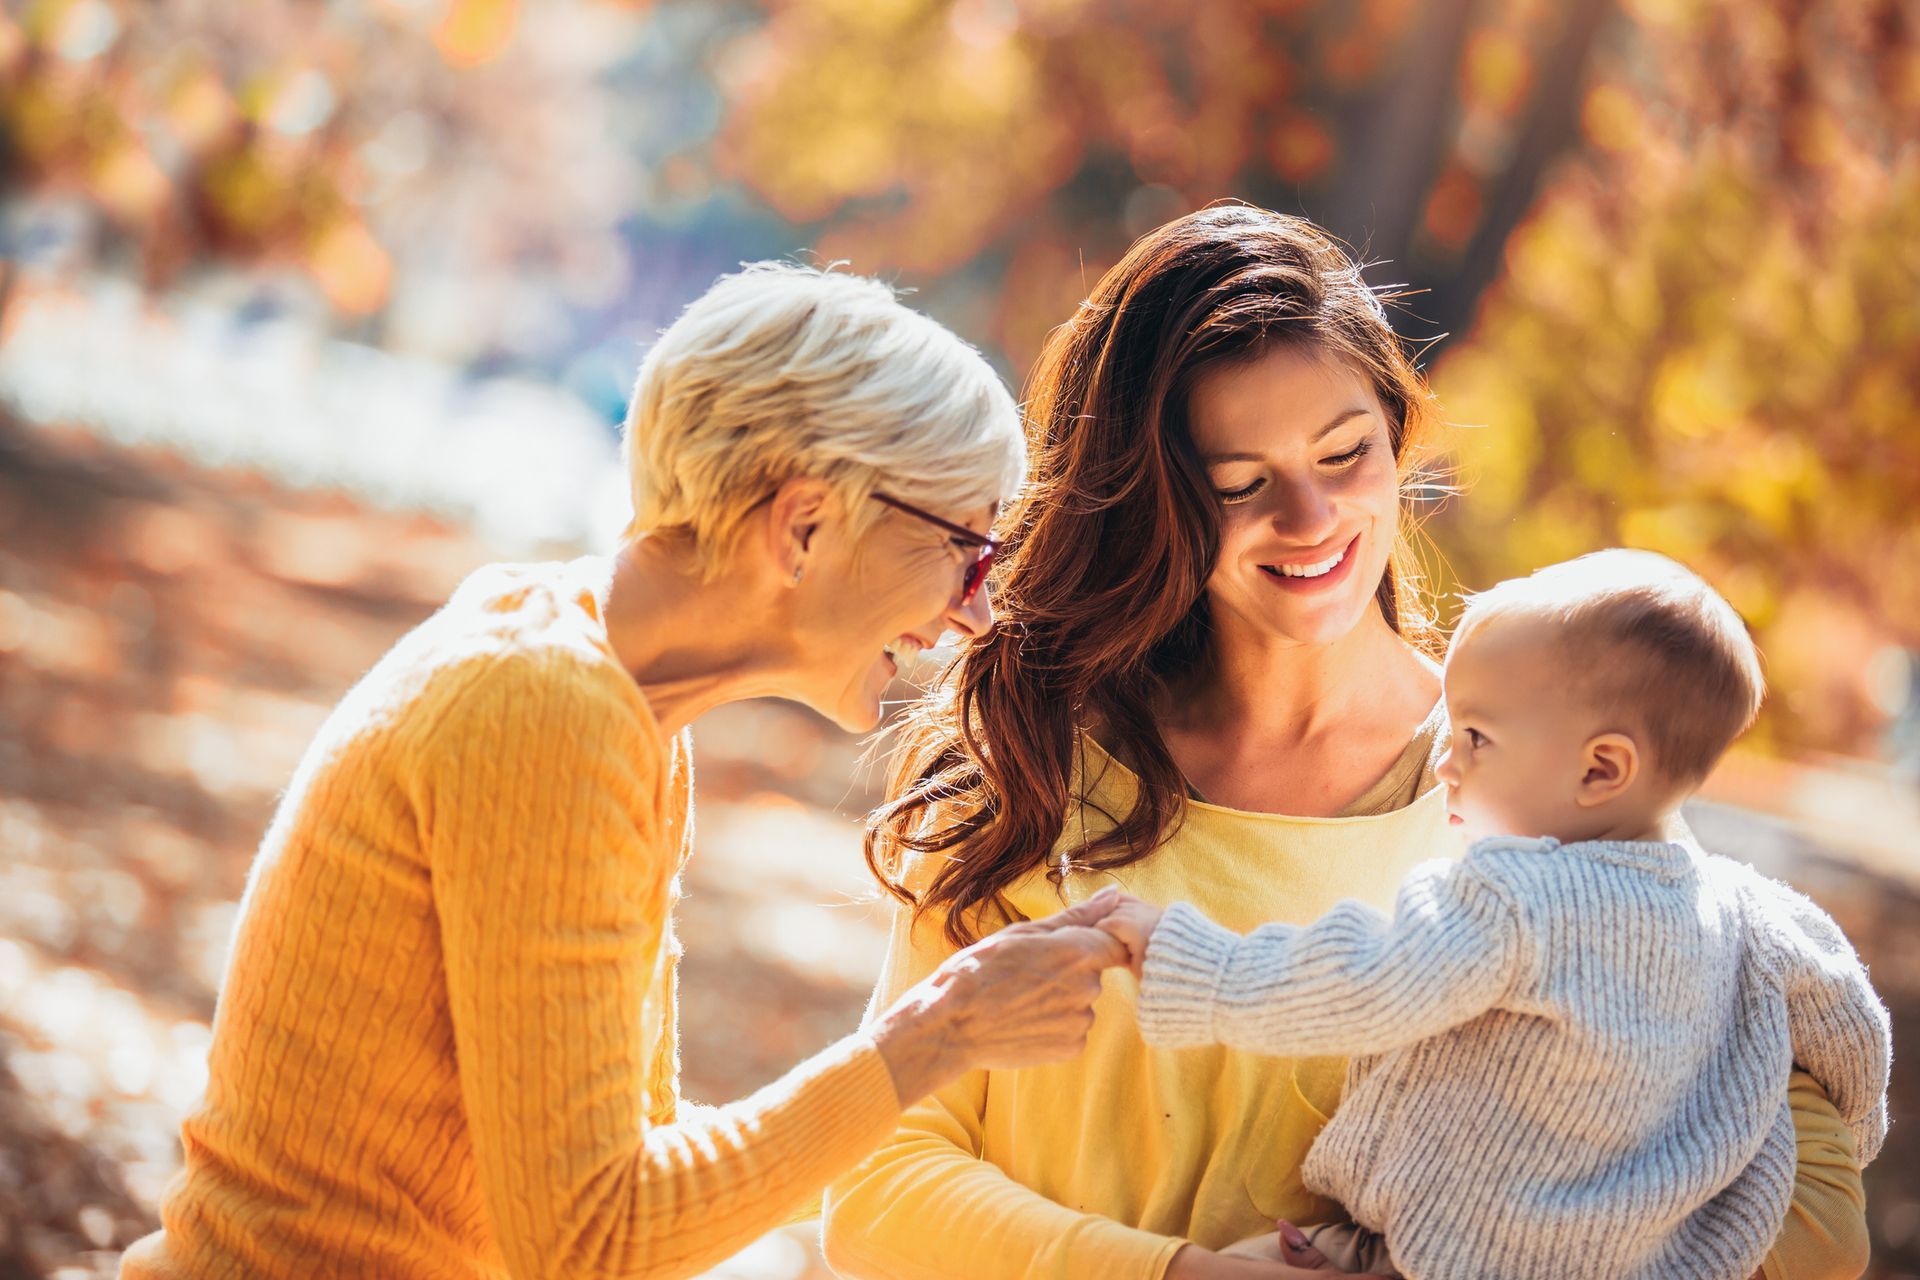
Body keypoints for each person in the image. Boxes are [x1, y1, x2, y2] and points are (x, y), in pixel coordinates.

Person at [820, 205, 1873, 1280]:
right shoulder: (1035, 769)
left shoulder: (1535, 790)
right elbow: (876, 1180)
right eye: (1241, 483)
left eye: (1344, 451)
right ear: (1154, 502)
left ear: (1396, 434)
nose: (1311, 514)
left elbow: (1814, 1224)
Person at [119, 263, 1130, 1280]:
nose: (979, 611)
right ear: (806, 523)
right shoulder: (545, 707)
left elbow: (631, 1168)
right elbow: (593, 1242)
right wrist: (937, 1033)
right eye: (968, 551)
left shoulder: (623, 699)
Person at [1097, 549, 1892, 1279]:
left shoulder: (1514, 900)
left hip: (1447, 1253)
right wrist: (1853, 1138)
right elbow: (1854, 1034)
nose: (1445, 757)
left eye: (1476, 736)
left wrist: (1192, 959)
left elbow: (1364, 981)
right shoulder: (1750, 911)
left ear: (1601, 767)